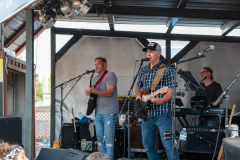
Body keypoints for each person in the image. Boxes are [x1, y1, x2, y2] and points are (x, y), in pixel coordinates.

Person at [136, 42, 180, 160]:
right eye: (147, 52)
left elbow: (170, 91)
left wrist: (160, 101)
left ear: (159, 53)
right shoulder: (143, 69)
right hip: (147, 114)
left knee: (168, 145)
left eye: (151, 52)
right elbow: (138, 86)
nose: (148, 54)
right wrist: (138, 96)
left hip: (163, 112)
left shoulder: (166, 69)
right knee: (148, 144)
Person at [85, 57, 118, 160]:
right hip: (98, 113)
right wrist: (88, 91)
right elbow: (91, 93)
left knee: (108, 141)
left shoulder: (110, 75)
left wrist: (95, 92)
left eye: (98, 64)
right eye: (95, 64)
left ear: (105, 65)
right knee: (100, 140)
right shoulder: (95, 78)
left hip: (109, 112)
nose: (96, 66)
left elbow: (109, 92)